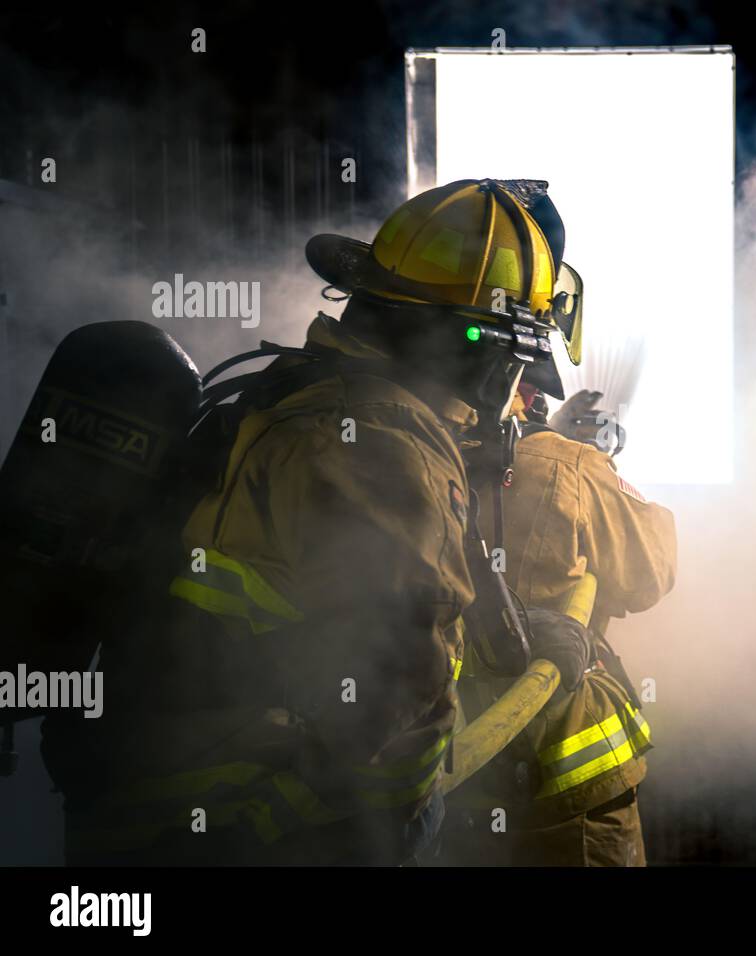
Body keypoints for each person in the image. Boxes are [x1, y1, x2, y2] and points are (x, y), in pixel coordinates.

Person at [41, 178, 580, 864]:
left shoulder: (294, 395)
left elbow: (324, 620)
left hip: (151, 808)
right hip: (243, 829)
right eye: (518, 360)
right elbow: (399, 694)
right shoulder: (384, 446)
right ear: (489, 355)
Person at [443, 384, 676, 866]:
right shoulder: (568, 463)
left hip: (447, 765)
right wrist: (587, 459)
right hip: (567, 764)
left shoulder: (402, 448)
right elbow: (648, 575)